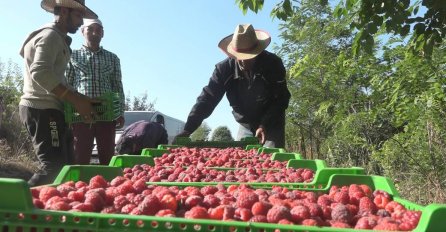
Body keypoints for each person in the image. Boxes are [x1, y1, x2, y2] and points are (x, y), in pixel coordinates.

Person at [19, 0, 98, 187]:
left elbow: (54, 77)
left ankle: (54, 211)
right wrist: (75, 100)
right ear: (63, 11)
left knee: (67, 168)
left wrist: (81, 100)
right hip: (41, 108)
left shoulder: (56, 37)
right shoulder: (50, 36)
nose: (81, 22)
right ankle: (21, 207)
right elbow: (40, 72)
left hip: (51, 108)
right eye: (78, 16)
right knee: (52, 167)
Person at [175, 24, 291, 148]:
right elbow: (208, 99)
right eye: (239, 56)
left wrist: (264, 124)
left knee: (271, 157)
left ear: (258, 52)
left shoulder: (273, 64)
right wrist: (188, 129)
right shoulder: (223, 70)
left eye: (248, 57)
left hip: (271, 123)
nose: (243, 61)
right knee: (242, 159)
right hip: (245, 123)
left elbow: (281, 99)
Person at [66, 18, 125, 165]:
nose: (94, 32)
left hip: (107, 112)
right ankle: (80, 186)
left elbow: (117, 86)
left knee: (108, 156)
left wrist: (120, 112)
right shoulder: (72, 55)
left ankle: (111, 186)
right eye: (90, 29)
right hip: (80, 112)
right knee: (80, 154)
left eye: (98, 30)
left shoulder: (113, 58)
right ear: (82, 31)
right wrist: (65, 114)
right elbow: (68, 84)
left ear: (102, 33)